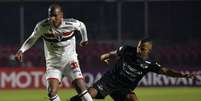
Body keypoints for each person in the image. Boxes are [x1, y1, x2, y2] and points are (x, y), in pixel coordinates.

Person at [69, 38, 198, 101]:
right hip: (109, 81)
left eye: (142, 48)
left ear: (148, 50)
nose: (138, 50)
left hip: (124, 88)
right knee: (88, 96)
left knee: (133, 100)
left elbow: (166, 71)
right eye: (138, 47)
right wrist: (105, 55)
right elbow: (115, 53)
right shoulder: (127, 50)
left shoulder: (150, 63)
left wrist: (183, 75)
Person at [15, 3, 93, 101]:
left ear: (61, 15)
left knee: (81, 89)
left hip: (70, 62)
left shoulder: (70, 24)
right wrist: (21, 50)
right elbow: (32, 39)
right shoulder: (42, 26)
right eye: (50, 16)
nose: (52, 18)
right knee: (51, 93)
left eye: (55, 16)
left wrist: (84, 39)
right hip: (53, 64)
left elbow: (82, 26)